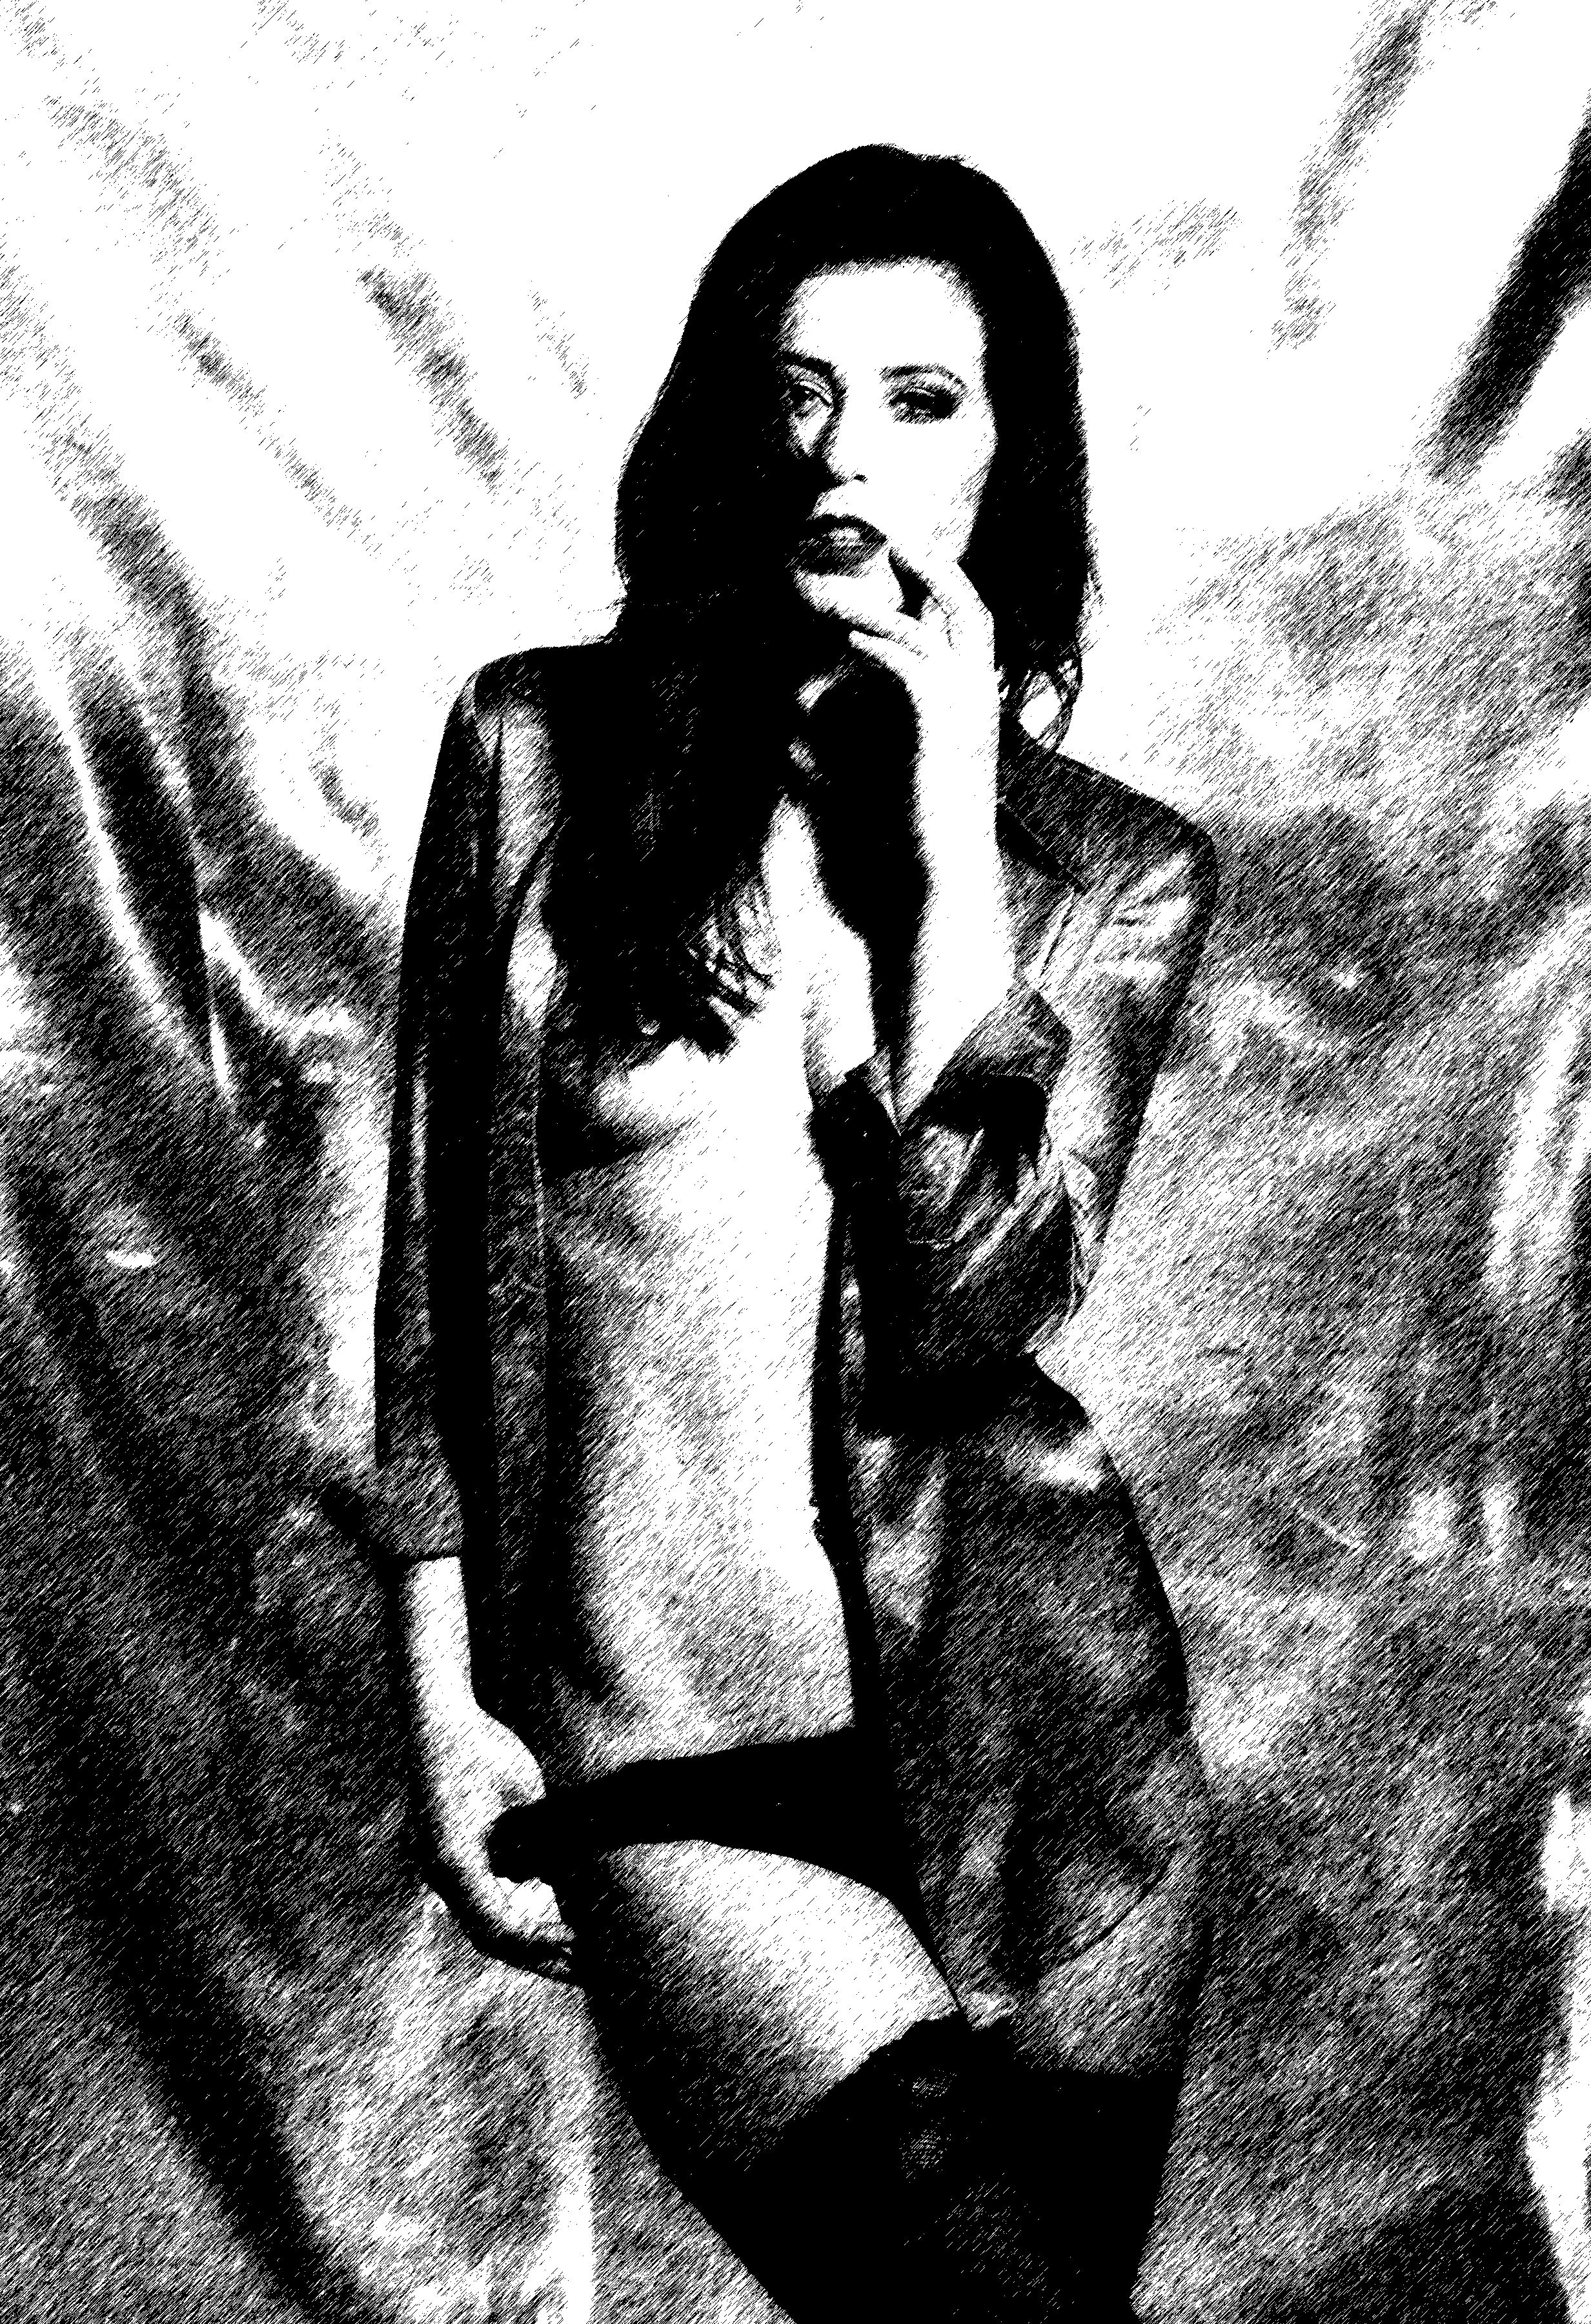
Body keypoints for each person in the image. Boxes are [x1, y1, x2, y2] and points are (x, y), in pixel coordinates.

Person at [374, 144, 1219, 2321]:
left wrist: (943, 839)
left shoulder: (1115, 876)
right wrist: (440, 1676)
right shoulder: (540, 751)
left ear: (1008, 456)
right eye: (795, 392)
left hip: (1041, 1763)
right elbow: (431, 1264)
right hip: (672, 1761)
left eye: (920, 400)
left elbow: (969, 1310)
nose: (844, 454)